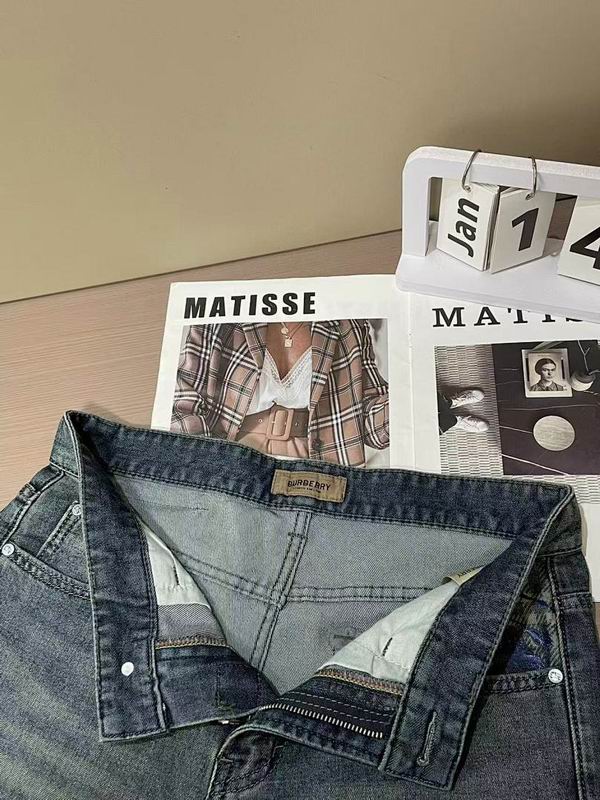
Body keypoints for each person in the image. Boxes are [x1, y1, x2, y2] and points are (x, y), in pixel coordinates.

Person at [171, 319, 389, 466]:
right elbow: (183, 405)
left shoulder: (349, 325)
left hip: (317, 462)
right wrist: (207, 468)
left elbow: (370, 426)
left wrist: (405, 399)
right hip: (233, 455)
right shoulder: (222, 316)